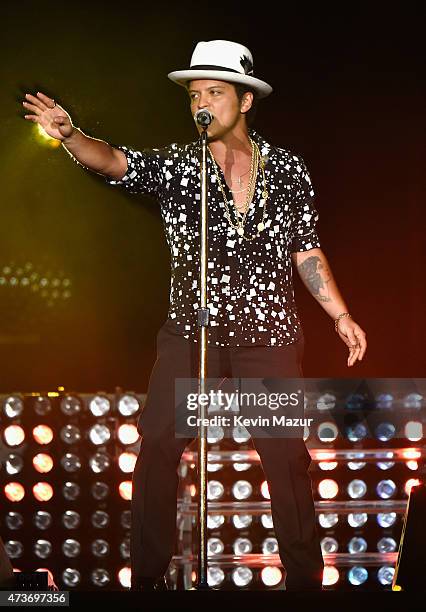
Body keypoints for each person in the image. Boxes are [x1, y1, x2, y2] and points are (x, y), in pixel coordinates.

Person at [22, 39, 367, 591]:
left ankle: (305, 582)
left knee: (284, 455)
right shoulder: (181, 166)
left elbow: (306, 249)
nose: (201, 102)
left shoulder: (286, 169)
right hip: (192, 333)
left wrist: (339, 314)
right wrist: (71, 137)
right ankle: (149, 579)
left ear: (245, 100)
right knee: (158, 445)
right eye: (194, 94)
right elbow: (116, 162)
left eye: (214, 91)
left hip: (267, 334)